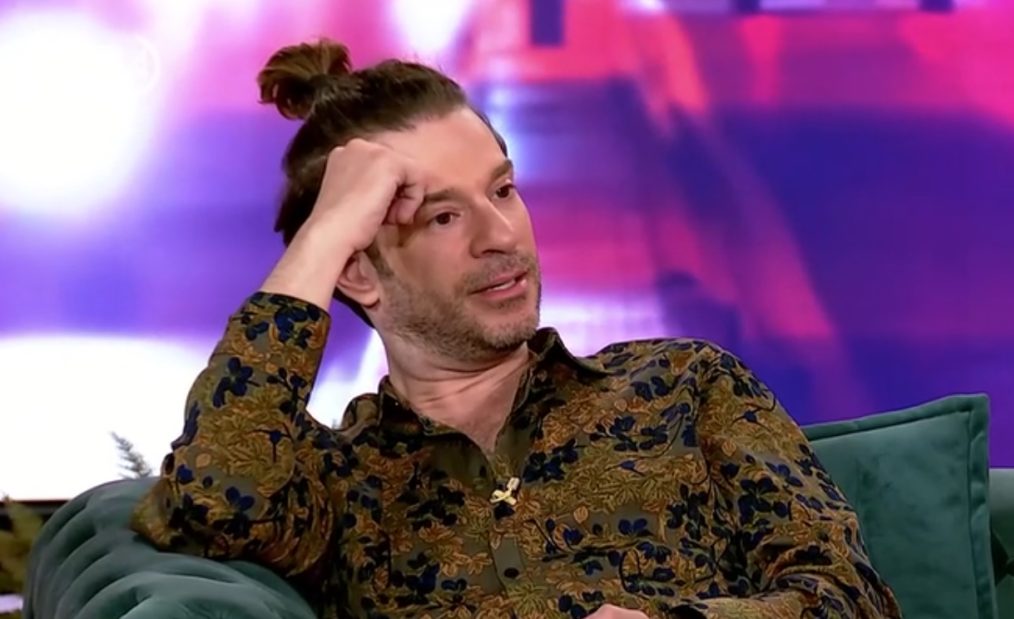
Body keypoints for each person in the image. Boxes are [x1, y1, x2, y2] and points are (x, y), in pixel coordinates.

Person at [132, 38, 901, 619]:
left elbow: (851, 595)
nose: (501, 235)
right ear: (357, 271)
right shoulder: (338, 485)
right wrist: (324, 235)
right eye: (443, 216)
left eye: (502, 189)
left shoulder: (681, 388)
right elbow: (216, 498)